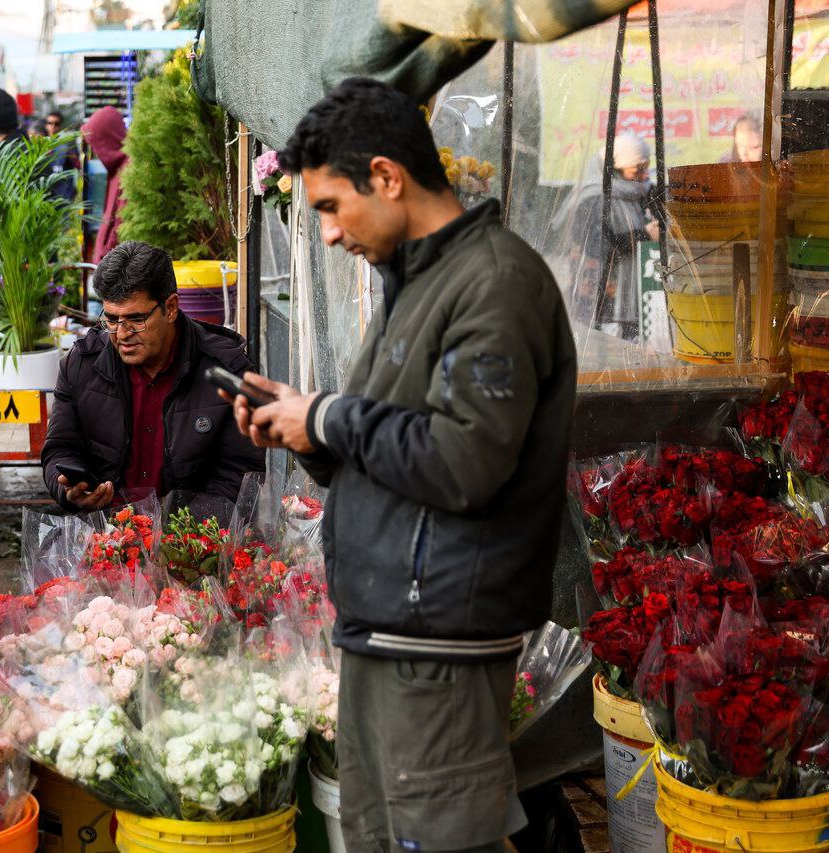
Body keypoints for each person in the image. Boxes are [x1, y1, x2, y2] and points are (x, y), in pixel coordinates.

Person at [223, 78, 576, 853]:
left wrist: (326, 415)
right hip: (393, 638)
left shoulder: (493, 281)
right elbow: (397, 448)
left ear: (386, 177)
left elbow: (462, 461)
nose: (326, 234)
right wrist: (306, 433)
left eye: (328, 206)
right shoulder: (418, 283)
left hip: (440, 650)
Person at [42, 240, 264, 511]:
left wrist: (173, 535)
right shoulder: (81, 364)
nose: (122, 334)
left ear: (170, 308)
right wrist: (70, 489)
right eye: (111, 320)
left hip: (193, 541)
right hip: (104, 534)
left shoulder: (228, 371)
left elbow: (241, 477)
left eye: (136, 319)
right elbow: (60, 448)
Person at [556, 132, 659, 340]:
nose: (644, 175)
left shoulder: (642, 192)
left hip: (638, 296)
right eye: (637, 169)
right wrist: (643, 235)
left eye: (646, 167)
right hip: (602, 299)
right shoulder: (592, 198)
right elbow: (596, 245)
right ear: (615, 169)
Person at [81, 106, 127, 265]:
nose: (95, 151)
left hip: (118, 268)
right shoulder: (116, 169)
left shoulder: (127, 170)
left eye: (96, 144)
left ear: (107, 138)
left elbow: (121, 225)